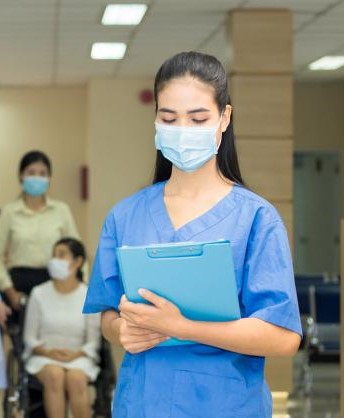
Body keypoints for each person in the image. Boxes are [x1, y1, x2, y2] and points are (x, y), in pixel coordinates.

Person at [83, 51, 302, 417]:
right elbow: (107, 311)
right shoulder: (126, 216)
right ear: (155, 119)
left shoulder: (256, 219)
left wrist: (181, 326)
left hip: (227, 405)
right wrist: (120, 330)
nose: (183, 130)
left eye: (198, 118)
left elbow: (283, 336)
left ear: (224, 118)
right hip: (142, 403)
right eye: (169, 118)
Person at [23, 238, 100, 418]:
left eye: (61, 255)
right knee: (55, 375)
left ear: (78, 262)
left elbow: (93, 341)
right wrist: (48, 353)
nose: (54, 260)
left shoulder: (87, 295)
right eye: (53, 255)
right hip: (44, 356)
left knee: (76, 378)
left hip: (78, 357)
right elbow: (29, 338)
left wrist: (76, 354)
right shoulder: (39, 293)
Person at [0, 150, 81, 310]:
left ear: (49, 178)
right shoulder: (9, 211)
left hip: (55, 283)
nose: (37, 177)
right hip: (18, 286)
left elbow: (77, 251)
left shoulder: (61, 210)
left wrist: (78, 285)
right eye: (31, 172)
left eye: (42, 173)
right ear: (21, 176)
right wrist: (11, 293)